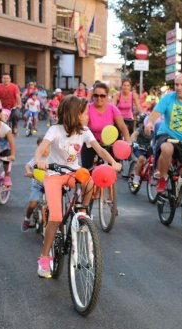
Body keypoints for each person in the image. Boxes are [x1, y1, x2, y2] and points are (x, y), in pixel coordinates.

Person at [34, 95, 122, 278]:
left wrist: (113, 161)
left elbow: (100, 149)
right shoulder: (55, 130)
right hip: (54, 174)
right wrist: (39, 160)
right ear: (74, 114)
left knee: (89, 181)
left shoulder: (84, 131)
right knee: (56, 217)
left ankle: (82, 212)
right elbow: (42, 147)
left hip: (74, 173)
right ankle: (44, 258)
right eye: (84, 113)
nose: (87, 116)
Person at [81, 82, 130, 169]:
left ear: (107, 96)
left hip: (109, 144)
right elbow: (83, 126)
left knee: (112, 170)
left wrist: (128, 143)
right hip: (91, 143)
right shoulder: (88, 108)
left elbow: (122, 127)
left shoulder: (112, 108)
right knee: (86, 171)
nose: (99, 98)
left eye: (102, 95)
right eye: (96, 95)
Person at [22, 136, 46, 231]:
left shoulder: (53, 157)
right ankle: (27, 218)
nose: (44, 150)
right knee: (32, 204)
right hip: (38, 185)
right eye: (41, 147)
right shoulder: (37, 158)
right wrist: (29, 171)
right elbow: (28, 165)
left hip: (50, 185)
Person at [130, 116, 159, 187]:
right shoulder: (140, 130)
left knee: (155, 158)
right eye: (148, 127)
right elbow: (133, 135)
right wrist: (133, 142)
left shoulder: (154, 132)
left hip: (149, 148)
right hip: (139, 147)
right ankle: (136, 177)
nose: (150, 129)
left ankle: (152, 173)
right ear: (144, 125)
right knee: (141, 159)